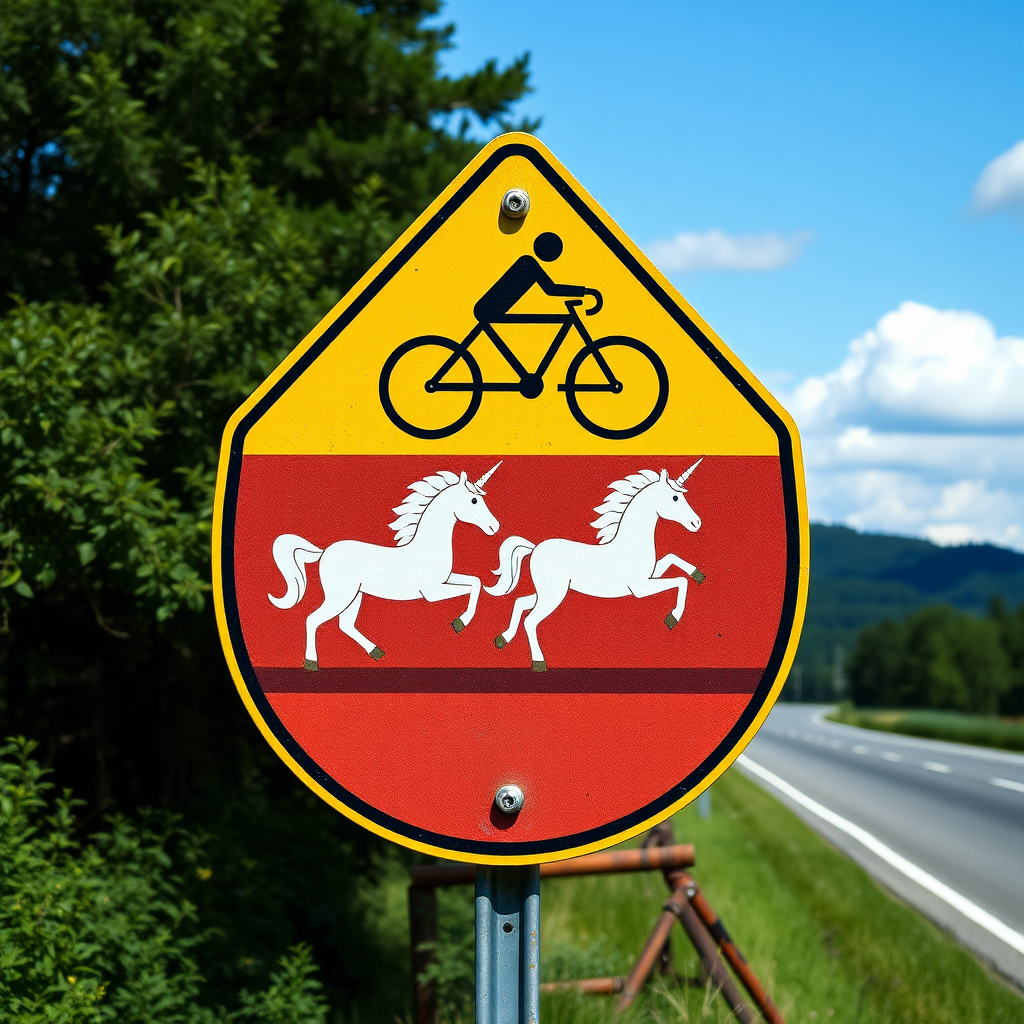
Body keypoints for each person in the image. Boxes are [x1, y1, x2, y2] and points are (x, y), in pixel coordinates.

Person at [473, 232, 586, 321]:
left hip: (488, 311)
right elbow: (550, 289)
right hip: (488, 312)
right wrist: (586, 292)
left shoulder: (528, 262)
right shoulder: (528, 264)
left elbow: (550, 288)